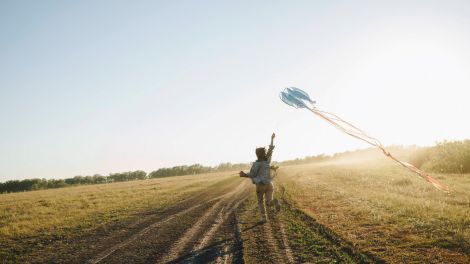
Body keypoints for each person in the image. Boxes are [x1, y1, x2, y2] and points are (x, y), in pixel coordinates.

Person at [239, 133, 280, 223]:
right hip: (269, 184)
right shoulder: (267, 161)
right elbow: (271, 149)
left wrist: (243, 175)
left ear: (257, 155)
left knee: (260, 202)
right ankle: (274, 202)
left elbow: (252, 174)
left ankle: (264, 218)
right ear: (264, 153)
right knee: (269, 202)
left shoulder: (256, 164)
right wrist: (272, 138)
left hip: (260, 186)